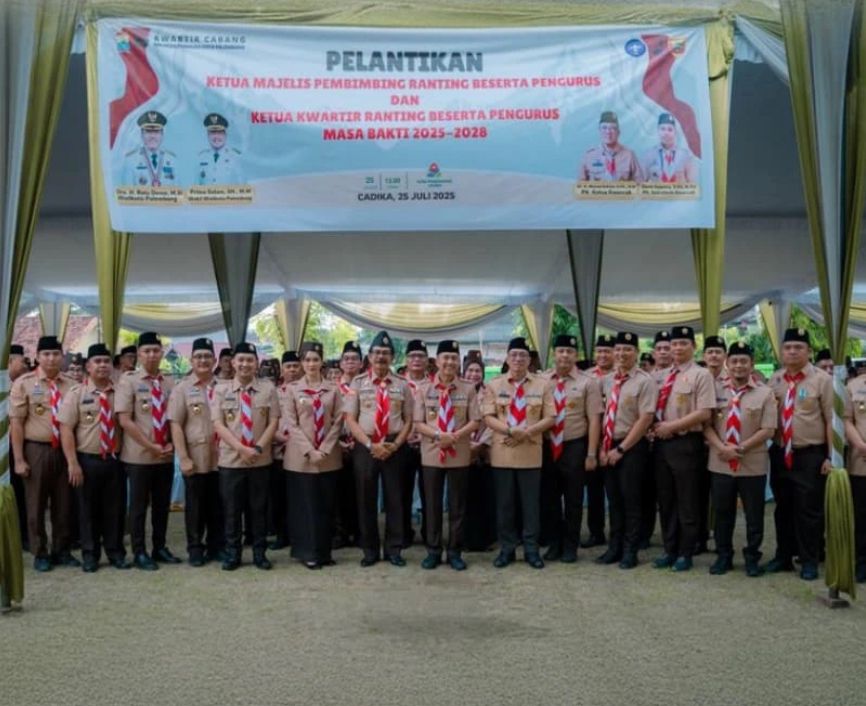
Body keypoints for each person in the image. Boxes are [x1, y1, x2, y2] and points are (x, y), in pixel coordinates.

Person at [765, 328, 834, 581]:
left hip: (810, 455)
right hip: (780, 452)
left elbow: (831, 420)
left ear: (809, 351)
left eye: (798, 347)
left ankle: (809, 559)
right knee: (782, 507)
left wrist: (831, 457)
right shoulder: (775, 379)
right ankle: (783, 555)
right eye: (788, 347)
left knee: (809, 509)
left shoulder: (822, 380)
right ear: (782, 352)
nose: (792, 352)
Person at [482, 337, 556, 569]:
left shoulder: (543, 385)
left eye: (523, 355)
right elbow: (488, 417)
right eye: (513, 355)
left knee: (530, 505)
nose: (518, 359)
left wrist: (527, 432)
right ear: (506, 358)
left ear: (529, 360)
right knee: (505, 505)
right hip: (502, 452)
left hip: (530, 452)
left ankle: (531, 550)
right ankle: (507, 549)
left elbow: (551, 417)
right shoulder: (494, 385)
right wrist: (511, 430)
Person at [703, 341, 776, 577]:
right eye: (734, 361)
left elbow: (768, 429)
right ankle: (724, 556)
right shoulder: (715, 389)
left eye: (744, 361)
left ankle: (752, 557)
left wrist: (740, 448)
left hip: (752, 463)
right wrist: (722, 448)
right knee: (722, 513)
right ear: (727, 363)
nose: (738, 365)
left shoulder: (765, 393)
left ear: (752, 364)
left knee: (754, 515)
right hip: (720, 462)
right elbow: (706, 425)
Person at [344, 331, 414, 567]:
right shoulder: (357, 383)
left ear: (393, 357)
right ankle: (370, 550)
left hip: (395, 446)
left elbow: (408, 420)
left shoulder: (402, 384)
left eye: (385, 353)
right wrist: (369, 444)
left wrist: (395, 445)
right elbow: (350, 418)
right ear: (370, 357)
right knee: (366, 499)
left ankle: (394, 549)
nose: (381, 357)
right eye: (377, 353)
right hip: (366, 445)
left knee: (395, 499)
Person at [10, 336, 79, 571]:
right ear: (38, 357)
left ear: (62, 356)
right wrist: (19, 459)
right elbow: (17, 424)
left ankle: (62, 550)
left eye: (56, 354)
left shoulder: (72, 384)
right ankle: (40, 551)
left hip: (65, 449)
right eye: (46, 354)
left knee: (64, 503)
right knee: (36, 503)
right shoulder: (24, 383)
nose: (51, 359)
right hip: (36, 449)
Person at [58, 343, 130, 572]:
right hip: (87, 460)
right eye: (97, 361)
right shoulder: (76, 394)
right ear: (88, 366)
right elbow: (66, 429)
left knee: (115, 509)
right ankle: (90, 554)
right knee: (87, 510)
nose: (102, 365)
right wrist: (72, 463)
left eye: (106, 361)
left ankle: (116, 552)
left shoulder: (121, 393)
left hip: (115, 459)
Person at [650, 326, 715, 572]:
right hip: (661, 444)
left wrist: (672, 426)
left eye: (683, 344)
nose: (677, 348)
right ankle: (670, 549)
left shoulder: (701, 375)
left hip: (686, 443)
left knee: (687, 500)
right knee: (666, 500)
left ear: (693, 347)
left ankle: (686, 552)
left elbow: (704, 412)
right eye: (674, 344)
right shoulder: (661, 376)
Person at [210, 342, 280, 571]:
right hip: (231, 461)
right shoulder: (221, 390)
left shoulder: (268, 389)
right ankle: (233, 553)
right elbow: (218, 424)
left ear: (256, 363)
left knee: (259, 509)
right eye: (241, 360)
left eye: (250, 360)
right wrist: (241, 449)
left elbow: (273, 422)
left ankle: (260, 553)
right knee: (232, 510)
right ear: (233, 362)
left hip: (260, 460)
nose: (245, 364)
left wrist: (257, 448)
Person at [413, 340, 481, 570]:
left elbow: (475, 420)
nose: (450, 362)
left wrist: (454, 436)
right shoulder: (424, 389)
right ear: (437, 361)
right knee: (432, 505)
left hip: (458, 452)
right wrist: (438, 435)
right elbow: (418, 422)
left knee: (457, 505)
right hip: (432, 453)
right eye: (446, 358)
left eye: (454, 358)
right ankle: (433, 550)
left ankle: (454, 552)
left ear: (458, 361)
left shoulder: (468, 389)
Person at [115, 332, 179, 570]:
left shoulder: (169, 381)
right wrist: (151, 445)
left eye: (155, 350)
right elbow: (124, 420)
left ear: (161, 353)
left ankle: (159, 547)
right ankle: (139, 551)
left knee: (162, 505)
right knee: (138, 507)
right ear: (139, 355)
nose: (151, 355)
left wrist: (171, 443)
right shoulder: (128, 381)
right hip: (139, 456)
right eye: (146, 351)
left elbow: (175, 418)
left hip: (165, 455)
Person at [540, 334, 603, 563]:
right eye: (561, 351)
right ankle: (554, 543)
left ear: (576, 355)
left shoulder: (588, 382)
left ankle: (570, 546)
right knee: (550, 498)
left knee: (574, 499)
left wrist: (591, 453)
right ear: (554, 354)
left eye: (569, 351)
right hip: (548, 446)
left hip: (574, 445)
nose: (565, 355)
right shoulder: (543, 380)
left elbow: (594, 420)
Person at [598, 332, 657, 569]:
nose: (622, 354)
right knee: (613, 500)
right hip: (608, 445)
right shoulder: (606, 380)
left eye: (628, 349)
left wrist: (621, 449)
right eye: (618, 349)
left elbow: (646, 419)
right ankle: (614, 547)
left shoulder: (645, 381)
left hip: (632, 446)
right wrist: (602, 448)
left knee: (631, 499)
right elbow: (602, 416)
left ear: (636, 352)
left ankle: (631, 550)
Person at [284, 342, 343, 569]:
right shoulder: (292, 390)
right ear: (301, 363)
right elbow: (291, 424)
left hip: (328, 458)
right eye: (307, 360)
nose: (311, 364)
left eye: (315, 359)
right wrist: (310, 450)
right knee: (304, 507)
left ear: (322, 362)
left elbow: (338, 421)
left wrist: (324, 449)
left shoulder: (333, 389)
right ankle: (306, 551)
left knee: (325, 506)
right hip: (301, 458)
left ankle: (323, 552)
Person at [168, 337, 224, 567]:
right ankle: (195, 548)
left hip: (222, 457)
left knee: (218, 505)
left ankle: (216, 546)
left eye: (207, 356)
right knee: (195, 506)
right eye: (198, 357)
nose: (203, 360)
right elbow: (175, 425)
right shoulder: (182, 389)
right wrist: (183, 458)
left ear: (215, 360)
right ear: (191, 360)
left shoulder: (224, 387)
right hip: (196, 457)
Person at [696, 334, 729, 554]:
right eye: (710, 352)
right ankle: (699, 538)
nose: (714, 356)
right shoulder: (697, 378)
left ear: (725, 356)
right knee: (697, 494)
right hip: (698, 445)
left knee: (720, 498)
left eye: (718, 352)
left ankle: (720, 539)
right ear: (704, 355)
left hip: (722, 448)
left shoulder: (733, 379)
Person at [582, 334, 616, 548]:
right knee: (594, 490)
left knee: (616, 491)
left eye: (607, 351)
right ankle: (596, 532)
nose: (603, 355)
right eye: (599, 351)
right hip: (591, 439)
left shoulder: (621, 376)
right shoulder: (586, 377)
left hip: (616, 440)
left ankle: (619, 533)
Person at [269, 350, 302, 550]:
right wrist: (281, 437)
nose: (292, 370)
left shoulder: (308, 391)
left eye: (296, 366)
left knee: (299, 497)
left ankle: (299, 535)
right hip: (279, 452)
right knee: (279, 497)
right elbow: (266, 422)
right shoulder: (273, 392)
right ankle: (282, 535)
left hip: (302, 453)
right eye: (288, 366)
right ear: (282, 369)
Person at [333, 340, 363, 548]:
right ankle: (340, 533)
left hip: (362, 444)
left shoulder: (367, 386)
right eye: (347, 358)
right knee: (338, 491)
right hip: (337, 444)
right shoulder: (333, 388)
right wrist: (337, 442)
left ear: (361, 363)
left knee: (361, 491)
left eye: (355, 359)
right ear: (341, 363)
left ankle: (360, 533)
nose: (350, 362)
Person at [402, 339, 429, 546]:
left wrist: (424, 435)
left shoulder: (435, 384)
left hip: (429, 444)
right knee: (401, 491)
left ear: (427, 360)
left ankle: (430, 532)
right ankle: (403, 533)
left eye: (420, 356)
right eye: (412, 356)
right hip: (401, 445)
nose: (416, 360)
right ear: (406, 360)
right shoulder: (397, 384)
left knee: (429, 492)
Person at [843, 359, 866, 583]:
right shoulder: (853, 386)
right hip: (861, 461)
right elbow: (846, 420)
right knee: (861, 516)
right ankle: (862, 562)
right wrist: (860, 445)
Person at [8, 343, 30, 551]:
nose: (25, 365)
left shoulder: (25, 385)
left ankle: (24, 536)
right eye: (22, 361)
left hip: (18, 448)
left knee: (21, 495)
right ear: (9, 361)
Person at [579, 111, 643, 182]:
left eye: (612, 128)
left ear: (618, 132)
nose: (608, 132)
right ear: (599, 131)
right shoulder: (589, 156)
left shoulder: (629, 155)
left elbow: (640, 185)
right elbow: (580, 186)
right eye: (604, 128)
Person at [640, 112, 699, 184]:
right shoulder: (648, 155)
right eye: (662, 129)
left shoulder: (685, 156)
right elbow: (640, 183)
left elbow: (692, 184)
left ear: (675, 132)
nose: (666, 133)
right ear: (658, 131)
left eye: (670, 129)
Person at [122, 111, 176, 187]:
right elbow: (126, 191)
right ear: (142, 134)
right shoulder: (131, 160)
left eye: (156, 131)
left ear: (162, 134)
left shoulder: (172, 160)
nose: (152, 136)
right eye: (148, 131)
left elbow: (178, 190)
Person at [197, 113, 242, 185]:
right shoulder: (201, 157)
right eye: (213, 132)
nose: (216, 136)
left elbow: (243, 185)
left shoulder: (236, 157)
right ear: (208, 135)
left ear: (225, 135)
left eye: (220, 132)